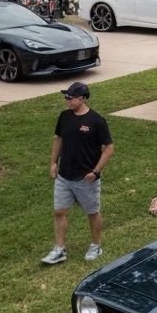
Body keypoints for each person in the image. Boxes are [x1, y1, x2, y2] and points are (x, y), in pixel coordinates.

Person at [41, 82, 114, 265]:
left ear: (82, 99)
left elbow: (109, 148)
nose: (67, 101)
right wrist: (53, 163)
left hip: (86, 178)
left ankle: (96, 245)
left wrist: (96, 172)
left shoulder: (96, 120)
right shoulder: (64, 117)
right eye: (66, 97)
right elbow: (59, 139)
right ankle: (59, 249)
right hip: (64, 176)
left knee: (92, 212)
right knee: (59, 211)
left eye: (70, 98)